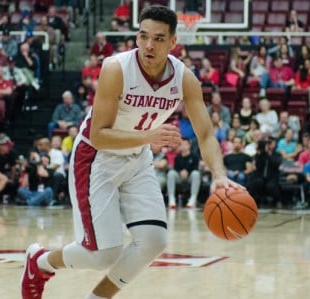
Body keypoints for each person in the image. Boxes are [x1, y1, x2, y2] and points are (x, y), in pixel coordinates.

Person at [20, 6, 240, 299]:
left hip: (137, 159)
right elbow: (99, 135)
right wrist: (149, 136)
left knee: (153, 240)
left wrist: (219, 175)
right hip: (96, 159)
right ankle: (40, 261)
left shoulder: (184, 78)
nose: (149, 45)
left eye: (159, 39)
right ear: (136, 36)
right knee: (102, 255)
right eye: (143, 36)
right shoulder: (116, 68)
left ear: (173, 43)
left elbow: (206, 134)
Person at [166, 139, 201, 209]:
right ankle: (171, 199)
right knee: (171, 173)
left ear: (189, 145)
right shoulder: (177, 158)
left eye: (185, 144)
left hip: (190, 177)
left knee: (196, 174)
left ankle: (193, 199)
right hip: (180, 177)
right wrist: (180, 172)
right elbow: (176, 168)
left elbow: (195, 168)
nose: (184, 146)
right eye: (182, 144)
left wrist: (187, 171)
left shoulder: (194, 156)